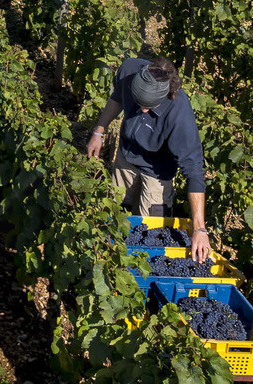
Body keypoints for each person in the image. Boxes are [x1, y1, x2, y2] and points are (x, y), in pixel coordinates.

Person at [85, 57, 212, 265]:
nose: (143, 110)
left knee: (150, 234)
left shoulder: (179, 114)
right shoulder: (128, 70)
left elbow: (195, 172)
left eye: (149, 107)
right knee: (117, 215)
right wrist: (98, 132)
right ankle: (110, 262)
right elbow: (116, 98)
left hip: (157, 172)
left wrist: (199, 228)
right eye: (139, 104)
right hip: (126, 156)